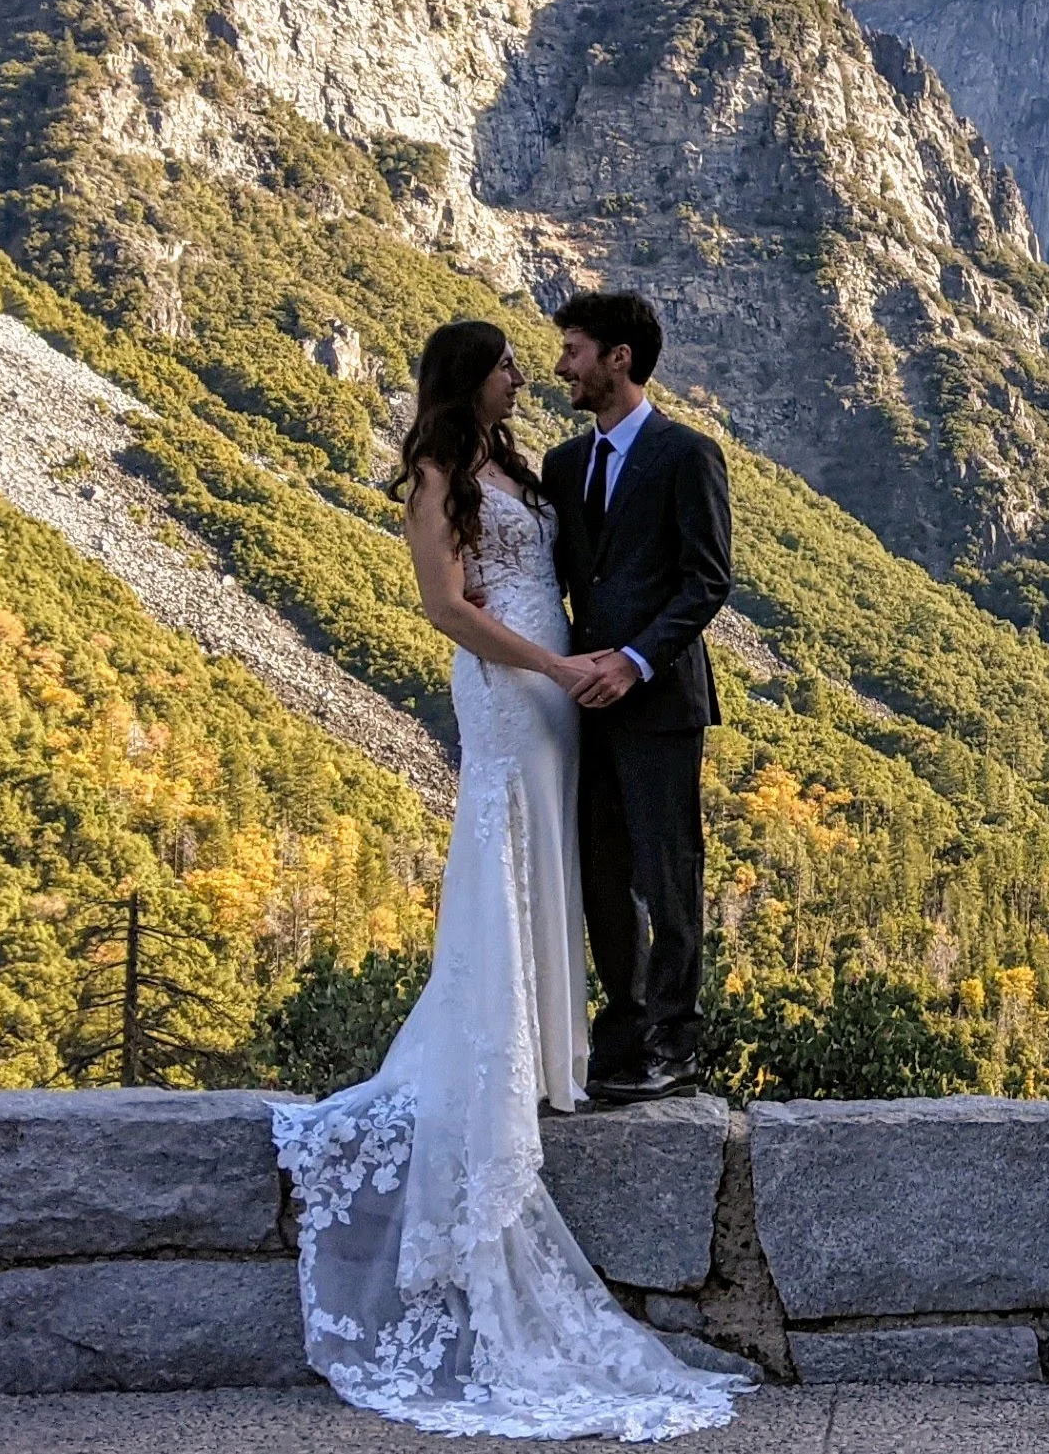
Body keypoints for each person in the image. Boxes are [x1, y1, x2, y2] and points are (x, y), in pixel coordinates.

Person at [268, 319, 748, 1440]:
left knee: (581, 865)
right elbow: (445, 606)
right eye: (512, 365)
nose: (535, 371)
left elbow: (667, 574)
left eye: (559, 355)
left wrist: (597, 662)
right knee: (513, 851)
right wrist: (557, 661)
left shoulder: (534, 465)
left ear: (619, 358)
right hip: (518, 682)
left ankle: (579, 1048)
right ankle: (511, 1060)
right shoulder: (445, 470)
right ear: (468, 379)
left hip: (581, 690)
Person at [540, 290, 733, 1103]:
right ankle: (619, 1041)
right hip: (582, 707)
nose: (561, 367)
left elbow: (707, 580)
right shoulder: (560, 464)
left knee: (667, 874)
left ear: (619, 358)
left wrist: (635, 660)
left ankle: (674, 1046)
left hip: (658, 705)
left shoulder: (689, 454)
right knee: (601, 877)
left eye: (575, 350)